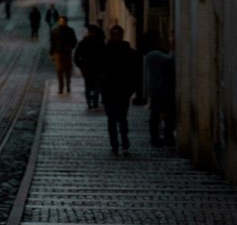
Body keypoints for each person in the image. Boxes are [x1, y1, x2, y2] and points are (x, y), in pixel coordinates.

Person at [99, 24, 139, 157]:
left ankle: (125, 140)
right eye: (113, 34)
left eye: (118, 34)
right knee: (111, 119)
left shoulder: (129, 52)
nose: (115, 37)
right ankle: (114, 144)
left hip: (123, 91)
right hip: (109, 91)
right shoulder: (105, 51)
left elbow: (135, 72)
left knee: (122, 118)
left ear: (122, 35)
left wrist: (132, 89)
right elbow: (99, 70)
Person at [143, 32, 176, 146]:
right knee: (159, 115)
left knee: (158, 114)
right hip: (160, 89)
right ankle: (159, 137)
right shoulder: (154, 54)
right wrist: (173, 46)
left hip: (158, 89)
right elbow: (171, 58)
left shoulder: (152, 54)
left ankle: (160, 137)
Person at [73, 23, 105, 109]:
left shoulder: (85, 42)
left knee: (89, 86)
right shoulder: (100, 42)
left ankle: (91, 102)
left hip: (89, 68)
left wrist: (80, 65)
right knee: (95, 85)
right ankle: (94, 101)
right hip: (94, 68)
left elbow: (76, 56)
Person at [49, 13, 77, 93]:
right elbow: (52, 43)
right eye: (61, 21)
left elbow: (74, 41)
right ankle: (60, 87)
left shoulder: (70, 31)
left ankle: (68, 85)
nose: (62, 23)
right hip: (58, 53)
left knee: (68, 70)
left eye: (63, 21)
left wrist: (70, 47)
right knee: (59, 70)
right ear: (59, 22)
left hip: (67, 53)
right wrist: (51, 54)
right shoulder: (55, 31)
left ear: (66, 22)